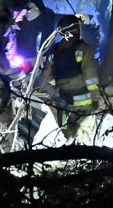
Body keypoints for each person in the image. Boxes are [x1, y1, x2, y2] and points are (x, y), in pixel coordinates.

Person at [36, 15, 101, 143]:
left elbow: (46, 77)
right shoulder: (84, 49)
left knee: (66, 135)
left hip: (62, 100)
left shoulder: (54, 50)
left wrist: (55, 92)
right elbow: (90, 76)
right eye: (78, 27)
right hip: (83, 101)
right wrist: (95, 97)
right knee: (86, 136)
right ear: (75, 29)